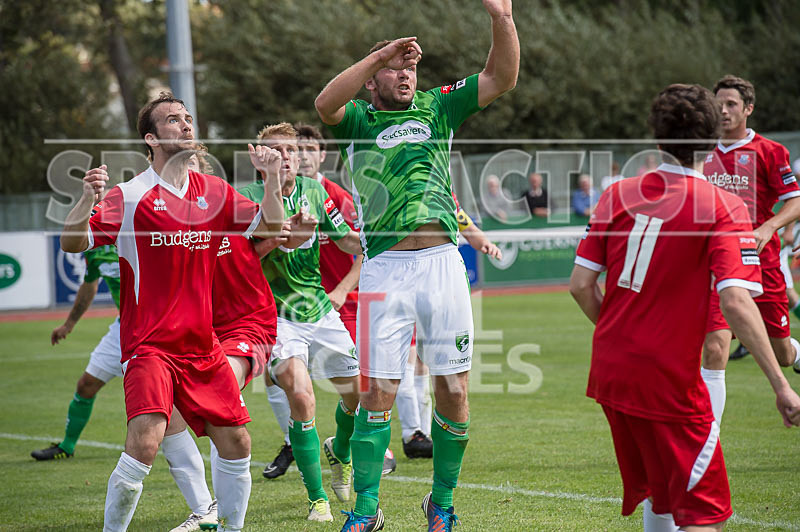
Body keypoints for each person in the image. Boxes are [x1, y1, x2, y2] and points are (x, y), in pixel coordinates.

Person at [314, 0, 519, 529]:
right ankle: (365, 509)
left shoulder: (436, 106)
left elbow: (501, 76)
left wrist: (502, 18)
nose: (405, 75)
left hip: (442, 265)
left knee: (452, 388)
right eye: (393, 69)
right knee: (377, 392)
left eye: (410, 68)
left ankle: (442, 505)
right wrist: (380, 52)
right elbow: (324, 103)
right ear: (371, 78)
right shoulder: (358, 118)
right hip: (385, 269)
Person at [570, 83, 800, 532]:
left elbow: (581, 286)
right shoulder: (723, 206)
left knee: (661, 491)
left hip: (611, 371)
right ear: (713, 134)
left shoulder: (616, 194)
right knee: (702, 516)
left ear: (656, 138)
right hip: (668, 379)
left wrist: (622, 333)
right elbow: (734, 300)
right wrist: (781, 386)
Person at [60, 92, 291, 532]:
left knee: (238, 441)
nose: (186, 125)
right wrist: (85, 199)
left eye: (188, 118)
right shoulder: (129, 196)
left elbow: (272, 227)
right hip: (150, 346)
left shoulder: (215, 192)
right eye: (173, 120)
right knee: (144, 443)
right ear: (151, 139)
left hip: (203, 346)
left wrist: (274, 179)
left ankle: (228, 528)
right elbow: (74, 242)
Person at [239, 122, 363, 523]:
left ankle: (339, 452)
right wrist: (284, 237)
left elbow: (344, 239)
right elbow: (244, 260)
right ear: (259, 158)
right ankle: (317, 499)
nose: (286, 156)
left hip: (319, 310)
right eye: (275, 150)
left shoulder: (315, 191)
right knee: (301, 396)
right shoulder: (246, 198)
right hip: (276, 314)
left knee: (357, 395)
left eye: (290, 149)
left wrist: (375, 240)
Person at [701, 75, 800, 425]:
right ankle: (705, 442)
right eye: (719, 104)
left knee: (783, 354)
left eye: (731, 104)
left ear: (748, 109)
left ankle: (796, 353)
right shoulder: (701, 151)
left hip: (763, 262)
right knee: (715, 347)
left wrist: (769, 226)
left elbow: (795, 200)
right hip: (717, 265)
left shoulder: (771, 151)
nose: (723, 110)